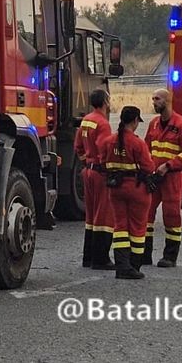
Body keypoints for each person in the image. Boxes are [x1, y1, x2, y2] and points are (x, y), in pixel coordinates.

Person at [99, 106, 155, 279]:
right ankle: (134, 266)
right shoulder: (137, 143)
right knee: (138, 228)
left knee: (120, 227)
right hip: (137, 189)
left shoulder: (109, 141)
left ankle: (122, 266)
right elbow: (149, 167)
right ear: (135, 120)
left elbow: (102, 162)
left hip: (115, 189)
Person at [145, 88, 182, 268]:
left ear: (166, 101)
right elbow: (146, 148)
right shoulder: (153, 124)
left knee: (171, 215)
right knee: (147, 213)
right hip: (154, 177)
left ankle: (170, 256)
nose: (154, 102)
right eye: (153, 98)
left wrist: (168, 165)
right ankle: (144, 254)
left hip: (172, 177)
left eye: (157, 99)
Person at [75, 89, 116, 270]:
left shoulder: (86, 120)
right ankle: (101, 259)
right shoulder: (103, 123)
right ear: (105, 101)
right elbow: (105, 149)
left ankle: (88, 257)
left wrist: (87, 162)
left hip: (88, 172)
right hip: (100, 173)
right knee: (104, 216)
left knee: (90, 216)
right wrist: (110, 169)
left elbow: (78, 146)